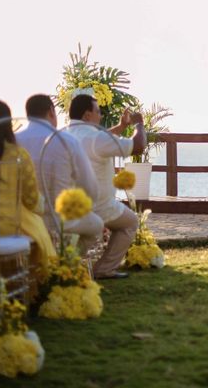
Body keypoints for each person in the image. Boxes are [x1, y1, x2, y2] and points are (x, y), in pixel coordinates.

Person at [0, 100, 56, 271]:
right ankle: (35, 282)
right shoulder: (17, 154)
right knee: (37, 223)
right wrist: (42, 205)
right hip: (10, 227)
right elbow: (31, 200)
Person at [66, 94, 146, 279]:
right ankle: (104, 269)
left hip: (68, 205)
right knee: (130, 222)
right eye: (98, 112)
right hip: (99, 206)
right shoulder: (95, 138)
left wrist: (121, 127)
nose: (101, 116)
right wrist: (138, 124)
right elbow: (138, 146)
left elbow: (100, 141)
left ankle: (69, 265)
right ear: (87, 115)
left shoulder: (64, 134)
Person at [16, 94, 104, 254]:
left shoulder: (14, 141)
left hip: (24, 221)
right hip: (60, 219)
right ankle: (65, 262)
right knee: (97, 224)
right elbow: (89, 187)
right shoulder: (67, 140)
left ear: (28, 113)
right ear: (51, 111)